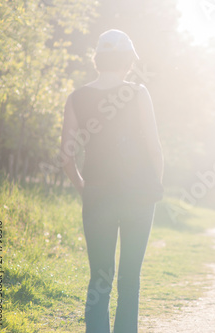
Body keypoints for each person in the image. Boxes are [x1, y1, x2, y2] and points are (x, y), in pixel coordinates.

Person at [61, 29, 164, 333]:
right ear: (128, 60)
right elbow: (154, 149)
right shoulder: (138, 92)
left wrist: (85, 189)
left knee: (100, 278)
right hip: (139, 196)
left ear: (98, 59)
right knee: (130, 278)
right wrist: (153, 189)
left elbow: (66, 158)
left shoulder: (76, 98)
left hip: (98, 196)